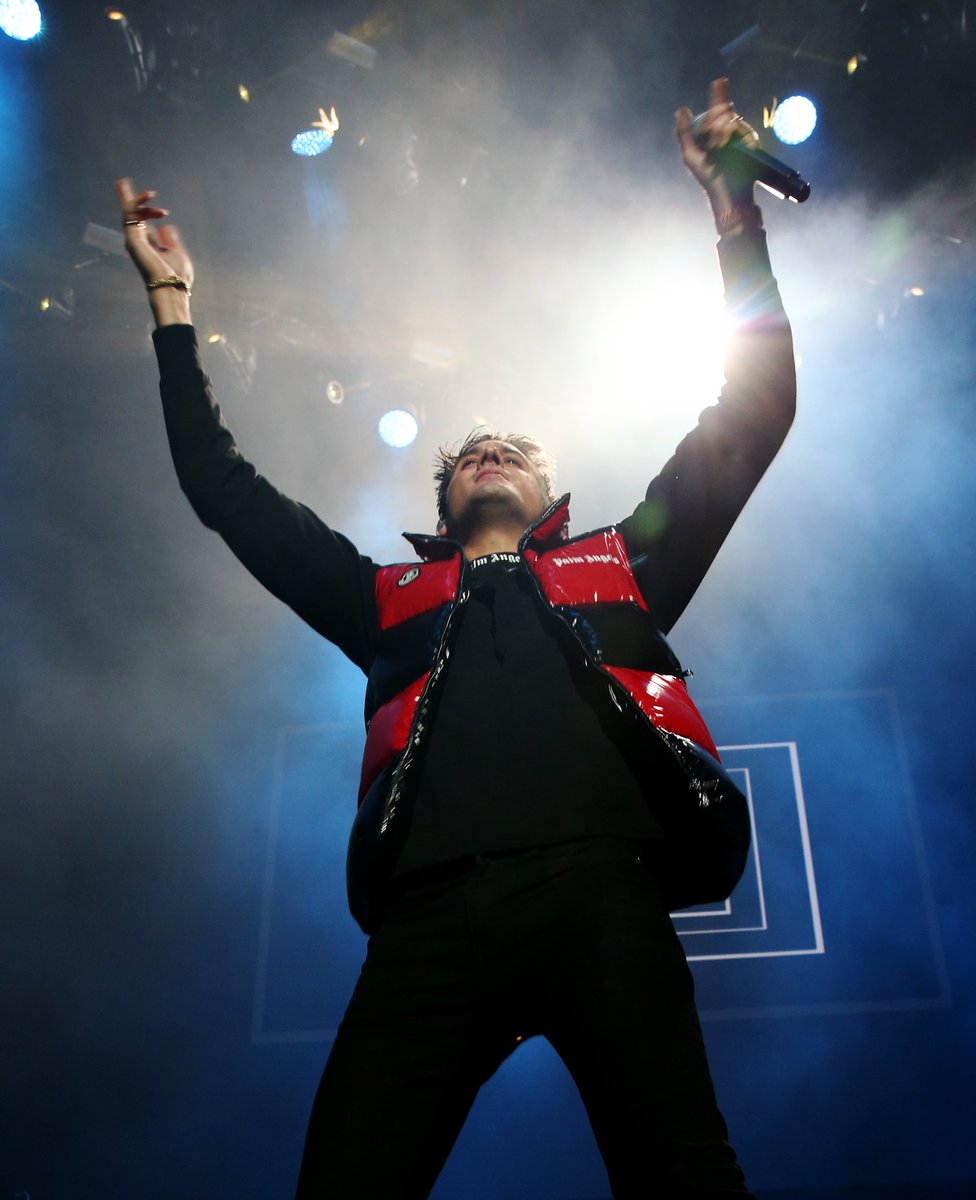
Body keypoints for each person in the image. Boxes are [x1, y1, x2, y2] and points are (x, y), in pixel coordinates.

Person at [118, 76, 795, 1200]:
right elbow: (222, 489)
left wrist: (735, 220)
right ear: (441, 506)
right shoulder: (385, 597)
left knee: (686, 1178)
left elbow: (755, 409)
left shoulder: (621, 561)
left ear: (548, 497)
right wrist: (172, 304)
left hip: (602, 891)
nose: (491, 450)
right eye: (473, 450)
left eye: (513, 450)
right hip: (430, 919)